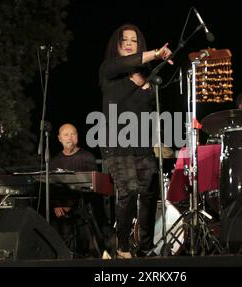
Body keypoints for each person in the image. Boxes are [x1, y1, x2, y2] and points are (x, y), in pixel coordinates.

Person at [98, 23, 173, 258]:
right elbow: (125, 65)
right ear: (117, 45)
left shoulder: (148, 79)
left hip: (142, 143)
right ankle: (122, 248)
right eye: (125, 40)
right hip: (116, 143)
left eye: (134, 40)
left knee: (150, 194)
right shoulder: (108, 70)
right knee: (128, 191)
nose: (130, 43)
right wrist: (156, 53)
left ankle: (145, 247)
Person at [49, 123, 108, 258]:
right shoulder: (54, 162)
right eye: (66, 135)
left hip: (82, 206)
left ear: (78, 137)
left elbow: (93, 188)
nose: (70, 138)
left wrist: (70, 204)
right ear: (59, 138)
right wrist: (57, 204)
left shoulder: (87, 158)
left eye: (73, 134)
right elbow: (51, 188)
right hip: (60, 209)